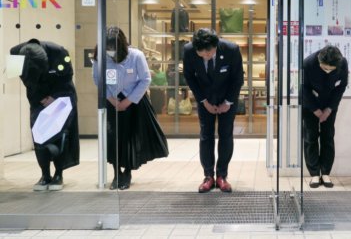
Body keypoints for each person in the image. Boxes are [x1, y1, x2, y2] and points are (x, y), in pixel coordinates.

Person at [92, 26, 169, 190]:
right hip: (112, 100)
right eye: (107, 47)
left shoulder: (136, 56)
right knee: (113, 138)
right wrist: (112, 100)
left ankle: (127, 172)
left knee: (129, 138)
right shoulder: (100, 57)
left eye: (112, 48)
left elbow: (145, 79)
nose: (110, 51)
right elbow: (98, 80)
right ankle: (116, 173)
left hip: (134, 101)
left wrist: (128, 101)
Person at [10, 39, 80, 191]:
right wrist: (41, 97)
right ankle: (45, 175)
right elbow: (23, 78)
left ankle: (58, 174)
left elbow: (67, 77)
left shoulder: (60, 52)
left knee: (59, 136)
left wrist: (54, 99)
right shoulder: (15, 53)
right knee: (39, 136)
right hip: (37, 96)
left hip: (60, 96)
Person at [183, 28, 244, 193]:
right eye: (201, 54)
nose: (206, 57)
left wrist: (228, 102)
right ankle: (208, 176)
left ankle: (222, 176)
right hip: (205, 100)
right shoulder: (189, 51)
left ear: (215, 46)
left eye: (209, 53)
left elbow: (238, 78)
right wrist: (203, 101)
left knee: (226, 134)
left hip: (227, 99)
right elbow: (189, 76)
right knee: (206, 135)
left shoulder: (231, 50)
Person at [302, 45, 349, 188]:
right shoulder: (308, 63)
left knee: (328, 136)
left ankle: (326, 172)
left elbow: (341, 86)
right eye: (324, 67)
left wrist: (329, 109)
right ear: (319, 60)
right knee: (311, 136)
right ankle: (315, 173)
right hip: (310, 104)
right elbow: (303, 88)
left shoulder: (342, 63)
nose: (327, 71)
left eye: (331, 69)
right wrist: (315, 109)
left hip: (330, 104)